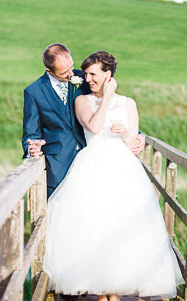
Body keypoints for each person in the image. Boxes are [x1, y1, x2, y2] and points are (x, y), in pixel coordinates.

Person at [43, 51, 184, 301]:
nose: (87, 78)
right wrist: (106, 97)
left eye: (93, 74)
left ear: (108, 75)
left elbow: (134, 143)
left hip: (124, 168)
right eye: (85, 74)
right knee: (96, 224)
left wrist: (128, 135)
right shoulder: (82, 101)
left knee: (121, 223)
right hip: (93, 166)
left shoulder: (128, 103)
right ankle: (100, 291)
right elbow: (94, 127)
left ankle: (116, 291)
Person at [22, 43, 144, 198]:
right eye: (64, 72)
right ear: (49, 71)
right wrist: (30, 148)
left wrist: (138, 136)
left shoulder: (85, 77)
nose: (71, 74)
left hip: (94, 163)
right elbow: (30, 133)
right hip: (58, 165)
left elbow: (111, 106)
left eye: (71, 67)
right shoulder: (34, 92)